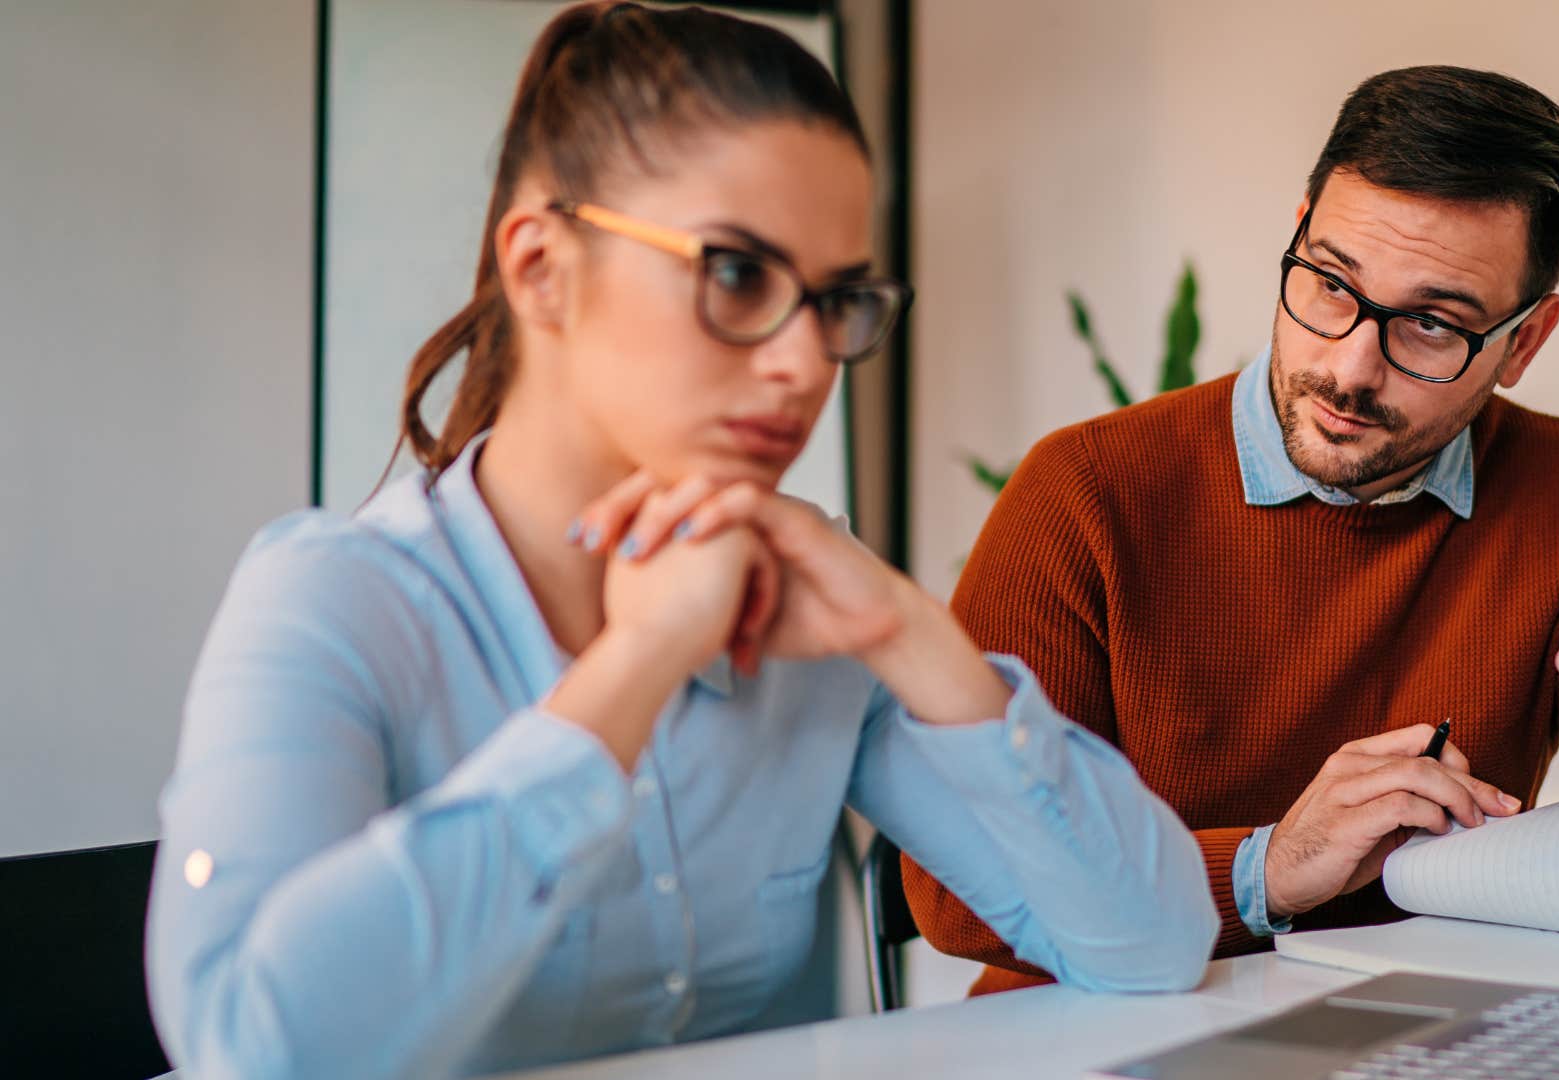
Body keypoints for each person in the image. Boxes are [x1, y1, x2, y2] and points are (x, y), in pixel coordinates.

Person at [144, 5, 1215, 1075]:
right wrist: (640, 662)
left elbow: (1152, 948)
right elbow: (249, 1049)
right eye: (740, 274)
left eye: (836, 300)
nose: (807, 366)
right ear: (542, 267)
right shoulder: (334, 599)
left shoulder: (810, 613)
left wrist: (906, 628)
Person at [904, 65, 1559, 996]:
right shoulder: (1086, 491)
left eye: (1431, 324)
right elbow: (959, 882)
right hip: (1094, 1036)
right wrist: (1268, 868)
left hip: (1415, 1030)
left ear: (1524, 343)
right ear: (1298, 230)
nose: (1349, 367)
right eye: (1330, 283)